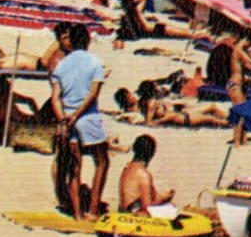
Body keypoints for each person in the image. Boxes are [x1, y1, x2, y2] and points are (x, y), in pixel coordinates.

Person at [51, 23, 112, 219]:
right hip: (87, 118)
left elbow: (55, 97)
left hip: (67, 119)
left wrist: (63, 119)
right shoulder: (95, 62)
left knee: (75, 168)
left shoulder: (62, 64)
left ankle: (77, 214)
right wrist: (76, 115)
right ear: (86, 40)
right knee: (102, 162)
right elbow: (93, 94)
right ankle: (93, 210)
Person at [118, 134, 175, 218]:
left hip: (125, 210)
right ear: (151, 154)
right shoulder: (143, 174)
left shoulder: (127, 168)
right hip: (135, 214)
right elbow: (148, 207)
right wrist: (164, 199)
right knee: (172, 210)